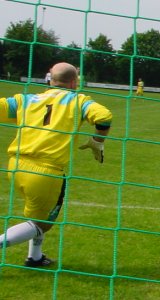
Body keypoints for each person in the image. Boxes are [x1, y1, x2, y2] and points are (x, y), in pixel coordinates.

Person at [0, 62, 112, 267]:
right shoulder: (78, 100)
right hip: (46, 172)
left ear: (50, 79)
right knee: (42, 224)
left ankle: (34, 257)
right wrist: (98, 141)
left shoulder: (26, 99)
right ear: (74, 82)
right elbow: (104, 117)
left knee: (35, 217)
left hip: (15, 167)